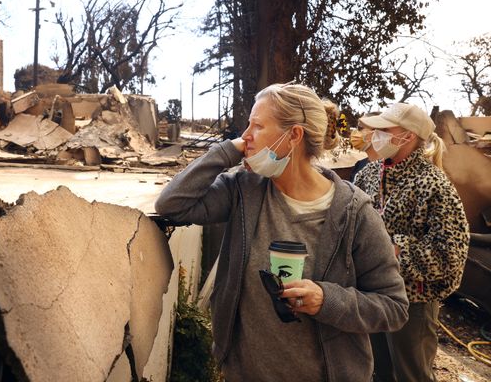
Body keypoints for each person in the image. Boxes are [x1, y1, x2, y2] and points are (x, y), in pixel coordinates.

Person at [155, 83, 409, 381]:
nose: (245, 135)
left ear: (294, 135)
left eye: (257, 125)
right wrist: (227, 151)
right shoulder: (242, 191)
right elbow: (172, 204)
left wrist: (326, 300)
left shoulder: (355, 214)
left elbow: (393, 307)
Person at [353, 103, 470, 382]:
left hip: (413, 301)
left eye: (384, 130)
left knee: (411, 374)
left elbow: (449, 254)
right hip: (372, 293)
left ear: (407, 136)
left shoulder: (434, 184)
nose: (375, 134)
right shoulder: (367, 175)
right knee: (378, 371)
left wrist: (393, 249)